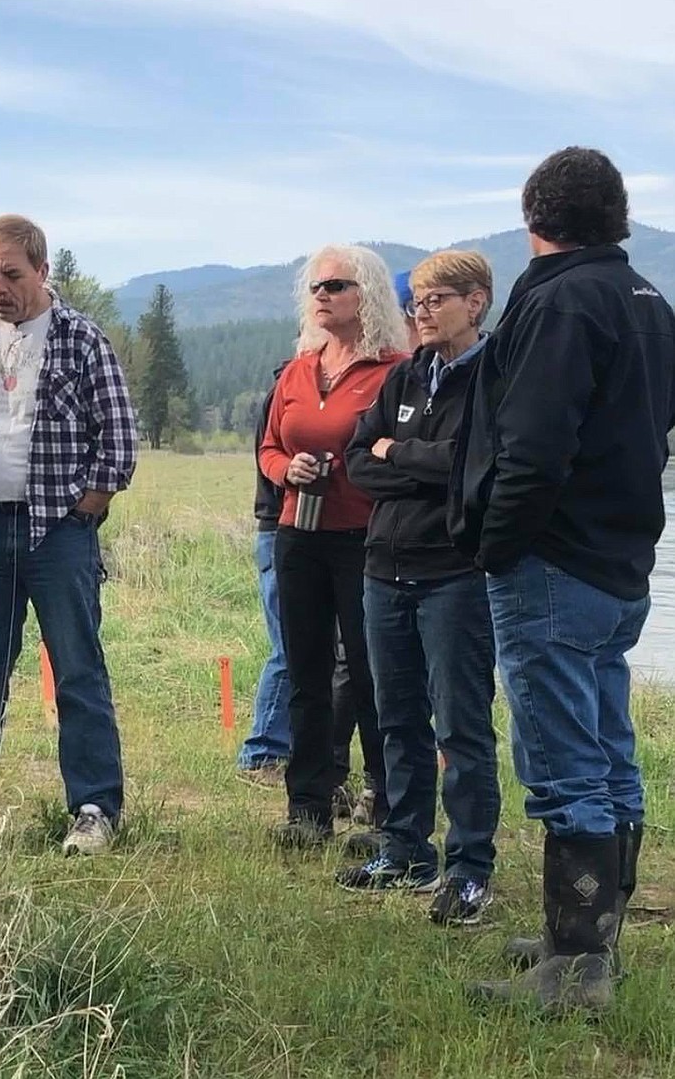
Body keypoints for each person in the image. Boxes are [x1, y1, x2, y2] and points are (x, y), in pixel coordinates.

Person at [451, 147, 675, 1011]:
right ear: (615, 216)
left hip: (554, 558)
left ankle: (578, 970)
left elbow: (535, 446)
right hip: (622, 559)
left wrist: (496, 543)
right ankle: (585, 935)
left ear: (532, 215)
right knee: (609, 745)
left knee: (563, 757)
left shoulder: (560, 300)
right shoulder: (647, 300)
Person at [0, 214, 138, 856]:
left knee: (77, 671)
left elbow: (118, 442)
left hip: (57, 536)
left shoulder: (81, 341)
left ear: (42, 271)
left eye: (12, 274)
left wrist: (82, 512)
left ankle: (94, 808)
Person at [335, 250, 500, 924]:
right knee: (397, 717)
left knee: (461, 725)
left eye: (436, 300)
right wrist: (415, 464)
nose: (422, 313)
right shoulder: (404, 378)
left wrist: (396, 455)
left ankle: (468, 869)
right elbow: (353, 459)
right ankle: (405, 848)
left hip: (454, 573)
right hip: (384, 568)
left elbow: (470, 467)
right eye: (416, 303)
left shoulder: (494, 377)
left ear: (477, 301)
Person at [259, 245, 409, 847]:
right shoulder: (298, 369)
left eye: (337, 286)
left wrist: (364, 464)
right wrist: (284, 469)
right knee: (307, 673)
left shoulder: (395, 369)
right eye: (317, 287)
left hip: (364, 539)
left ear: (365, 294)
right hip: (298, 534)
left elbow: (400, 451)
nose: (323, 295)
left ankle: (386, 800)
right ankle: (308, 809)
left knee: (373, 674)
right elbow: (268, 444)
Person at [238, 363, 292, 785]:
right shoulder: (289, 390)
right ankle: (263, 751)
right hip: (280, 528)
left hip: (284, 530)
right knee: (290, 647)